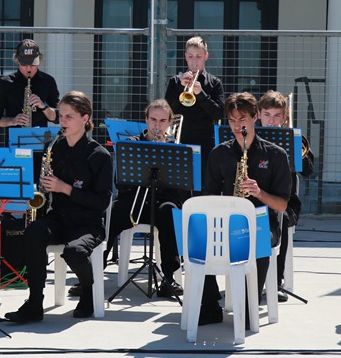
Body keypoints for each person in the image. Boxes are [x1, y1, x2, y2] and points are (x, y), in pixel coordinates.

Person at [5, 91, 113, 322]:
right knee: (33, 233)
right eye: (61, 115)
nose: (62, 121)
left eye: (69, 116)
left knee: (74, 253)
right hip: (60, 217)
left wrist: (65, 188)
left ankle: (88, 291)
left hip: (88, 223)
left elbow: (101, 202)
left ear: (85, 118)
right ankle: (35, 302)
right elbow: (46, 188)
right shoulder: (55, 147)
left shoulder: (100, 155)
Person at [199, 92, 292, 327]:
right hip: (227, 219)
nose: (237, 125)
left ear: (255, 117)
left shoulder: (276, 155)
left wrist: (259, 193)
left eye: (242, 119)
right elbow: (208, 196)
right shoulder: (219, 153)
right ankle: (209, 305)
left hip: (262, 221)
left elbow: (282, 205)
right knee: (198, 239)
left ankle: (250, 304)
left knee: (259, 240)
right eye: (231, 120)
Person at [104, 99, 189, 298]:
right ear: (146, 120)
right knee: (114, 214)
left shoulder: (175, 148)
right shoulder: (131, 144)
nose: (157, 125)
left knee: (170, 214)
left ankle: (169, 278)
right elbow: (121, 183)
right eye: (153, 120)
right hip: (135, 200)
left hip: (161, 202)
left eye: (162, 120)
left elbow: (181, 189)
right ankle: (92, 274)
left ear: (169, 122)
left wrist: (164, 152)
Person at [257, 90, 315, 303]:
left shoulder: (294, 138)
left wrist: (295, 146)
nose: (271, 120)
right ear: (259, 115)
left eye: (276, 115)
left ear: (284, 117)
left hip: (285, 201)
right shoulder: (251, 137)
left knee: (282, 221)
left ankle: (277, 281)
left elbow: (307, 170)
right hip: (255, 200)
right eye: (267, 114)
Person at [164, 36, 225, 177]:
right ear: (185, 56)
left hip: (205, 143)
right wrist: (181, 88)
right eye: (190, 56)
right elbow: (167, 111)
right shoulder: (175, 81)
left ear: (206, 56)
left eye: (198, 56)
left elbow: (219, 113)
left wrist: (201, 94)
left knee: (203, 184)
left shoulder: (214, 83)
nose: (194, 61)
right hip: (181, 140)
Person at [0, 39, 60, 130]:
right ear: (17, 60)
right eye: (24, 64)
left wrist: (43, 106)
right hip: (15, 139)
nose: (28, 68)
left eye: (32, 65)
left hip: (42, 140)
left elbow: (57, 117)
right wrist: (13, 121)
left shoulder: (48, 81)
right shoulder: (5, 83)